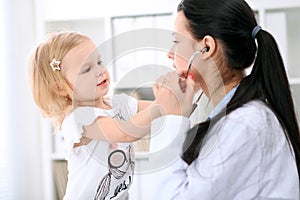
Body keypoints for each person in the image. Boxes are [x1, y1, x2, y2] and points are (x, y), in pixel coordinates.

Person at [149, 0, 300, 199]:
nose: (170, 54)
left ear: (207, 47)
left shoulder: (245, 123)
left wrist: (169, 119)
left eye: (177, 42)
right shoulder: (239, 117)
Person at [28, 31, 194, 200]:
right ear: (60, 88)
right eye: (86, 69)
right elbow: (126, 133)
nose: (100, 71)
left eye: (99, 62)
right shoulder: (78, 119)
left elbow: (165, 110)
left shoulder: (118, 104)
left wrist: (181, 93)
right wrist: (161, 105)